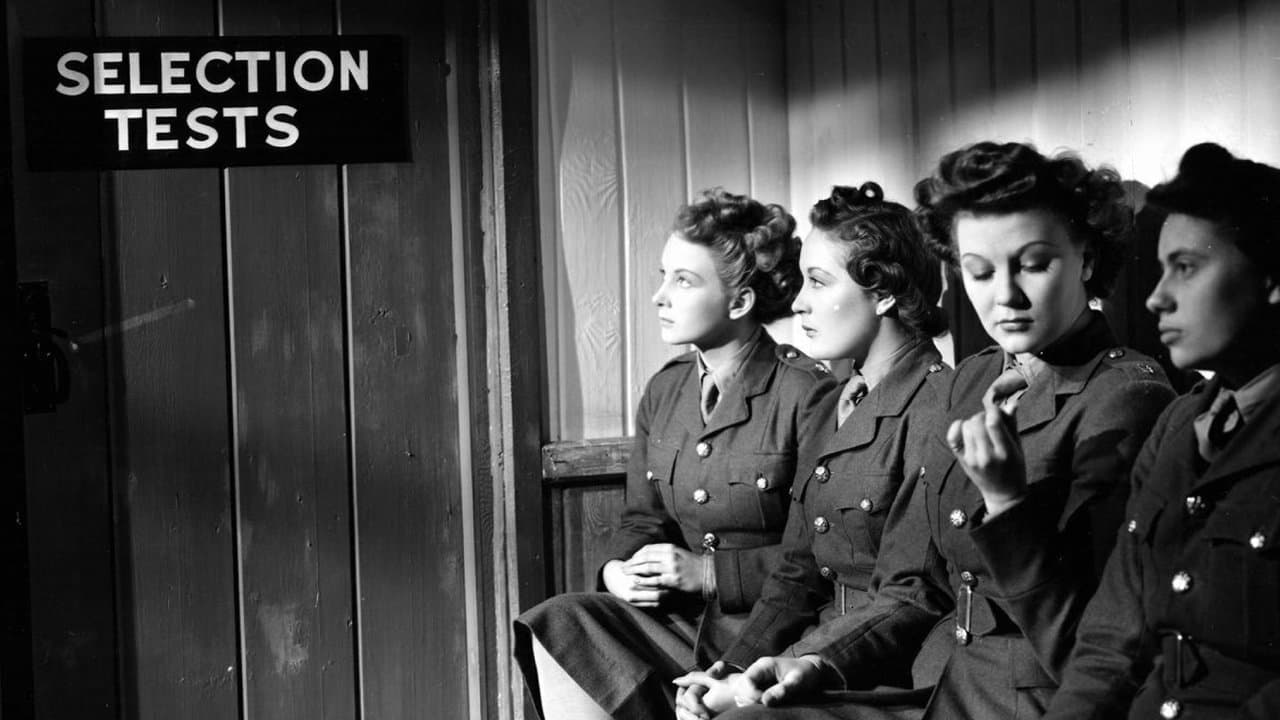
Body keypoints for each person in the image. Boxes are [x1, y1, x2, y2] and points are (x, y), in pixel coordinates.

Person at [687, 141, 1176, 720]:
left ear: (1087, 260)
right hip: (940, 684)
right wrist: (817, 663)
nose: (1005, 296)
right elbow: (912, 586)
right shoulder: (972, 380)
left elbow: (1098, 646)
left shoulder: (1127, 398)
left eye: (1033, 264)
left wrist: (1006, 503)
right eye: (980, 271)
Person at [513, 188, 837, 720]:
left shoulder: (805, 392)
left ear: (740, 302)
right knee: (559, 620)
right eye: (663, 276)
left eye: (683, 281)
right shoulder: (665, 390)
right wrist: (616, 570)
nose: (659, 297)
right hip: (681, 625)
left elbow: (821, 555)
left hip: (779, 632)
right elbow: (642, 519)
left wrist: (709, 573)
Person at [671, 182, 953, 718]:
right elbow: (797, 572)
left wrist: (796, 665)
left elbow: (913, 597)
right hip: (812, 654)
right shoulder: (831, 405)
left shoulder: (939, 406)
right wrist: (731, 668)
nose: (798, 303)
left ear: (884, 292)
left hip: (888, 673)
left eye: (819, 282)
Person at [1044, 144, 1280, 719]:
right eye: (1160, 268)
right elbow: (1110, 645)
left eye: (1187, 267)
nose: (1156, 297)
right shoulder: (1178, 425)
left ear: (1273, 278)